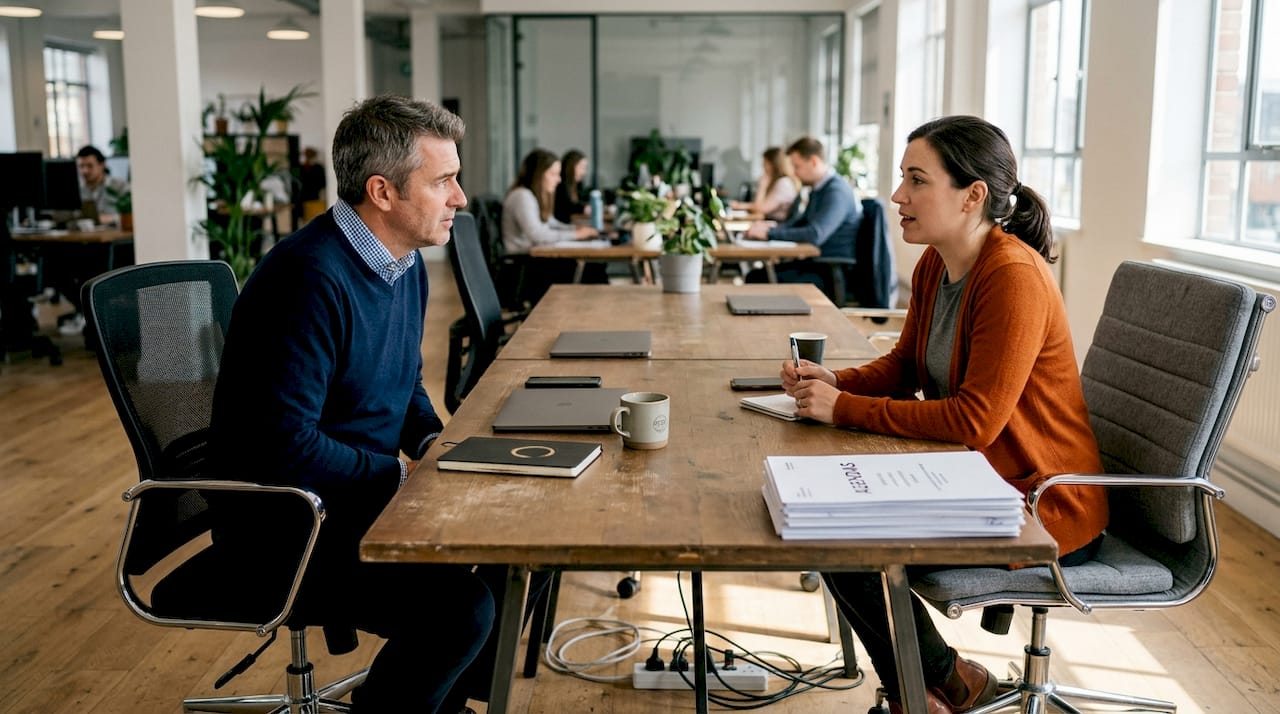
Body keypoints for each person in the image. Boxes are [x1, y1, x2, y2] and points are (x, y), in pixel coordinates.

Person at [781, 115, 1109, 714]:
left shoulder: (1012, 277)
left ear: (972, 196)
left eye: (916, 180)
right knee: (821, 520)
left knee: (836, 531)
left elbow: (973, 421)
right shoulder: (936, 262)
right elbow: (905, 365)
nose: (898, 196)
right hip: (978, 480)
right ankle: (943, 683)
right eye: (901, 179)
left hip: (1043, 503)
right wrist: (834, 382)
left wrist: (845, 408)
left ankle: (927, 688)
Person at [210, 95, 495, 714]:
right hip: (289, 524)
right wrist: (398, 474)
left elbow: (405, 382)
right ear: (383, 193)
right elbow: (284, 446)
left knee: (517, 545)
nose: (461, 198)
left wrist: (429, 445)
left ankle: (423, 699)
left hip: (353, 498)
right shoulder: (309, 279)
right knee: (461, 610)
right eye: (444, 180)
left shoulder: (403, 261)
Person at [743, 136, 860, 292]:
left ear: (813, 162)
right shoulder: (819, 189)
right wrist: (772, 227)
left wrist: (770, 233)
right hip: (816, 263)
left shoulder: (836, 191)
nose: (794, 173)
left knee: (758, 278)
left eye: (797, 166)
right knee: (758, 275)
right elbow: (801, 222)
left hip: (831, 272)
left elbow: (815, 233)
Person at [502, 148, 603, 300]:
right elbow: (537, 235)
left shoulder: (531, 196)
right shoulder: (522, 197)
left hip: (531, 261)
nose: (559, 179)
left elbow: (551, 223)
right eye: (553, 174)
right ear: (538, 175)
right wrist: (575, 234)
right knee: (590, 270)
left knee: (592, 267)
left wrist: (577, 230)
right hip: (523, 267)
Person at [731, 146, 799, 220]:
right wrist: (740, 206)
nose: (762, 165)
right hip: (770, 222)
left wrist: (762, 187)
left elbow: (760, 209)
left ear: (773, 164)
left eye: (765, 162)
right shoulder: (779, 181)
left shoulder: (783, 183)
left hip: (776, 225)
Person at [76, 145, 129, 225]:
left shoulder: (119, 186)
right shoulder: (77, 190)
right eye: (81, 166)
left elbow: (135, 214)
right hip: (85, 235)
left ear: (102, 165)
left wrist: (112, 218)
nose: (85, 171)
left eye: (90, 166)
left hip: (114, 235)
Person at [553, 148, 589, 223]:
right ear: (571, 166)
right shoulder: (560, 185)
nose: (583, 172)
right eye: (581, 167)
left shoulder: (578, 184)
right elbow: (567, 208)